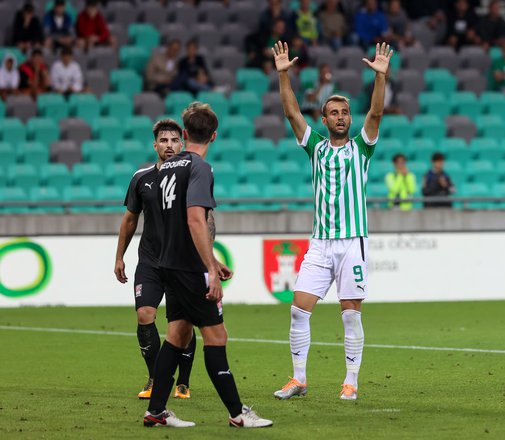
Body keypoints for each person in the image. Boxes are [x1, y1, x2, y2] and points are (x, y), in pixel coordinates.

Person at [272, 41, 392, 401]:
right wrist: (282, 75)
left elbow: (377, 114)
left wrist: (380, 79)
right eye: (333, 112)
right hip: (321, 243)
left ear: (350, 118)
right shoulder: (315, 149)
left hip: (352, 242)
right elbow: (293, 113)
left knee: (350, 315)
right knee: (298, 310)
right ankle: (299, 379)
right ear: (323, 120)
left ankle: (350, 381)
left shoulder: (362, 148)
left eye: (345, 112)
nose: (340, 116)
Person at [143, 103, 272, 429]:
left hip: (168, 264)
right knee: (217, 336)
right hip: (189, 269)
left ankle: (156, 410)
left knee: (177, 334)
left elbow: (173, 223)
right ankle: (238, 414)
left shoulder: (166, 168)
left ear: (184, 135)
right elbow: (195, 220)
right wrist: (210, 270)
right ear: (214, 135)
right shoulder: (200, 167)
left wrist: (212, 260)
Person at [115, 120, 197, 401]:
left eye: (175, 140)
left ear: (182, 143)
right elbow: (129, 219)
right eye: (164, 141)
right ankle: (155, 376)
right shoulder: (141, 178)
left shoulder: (190, 176)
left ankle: (183, 382)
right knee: (144, 315)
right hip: (149, 261)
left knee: (183, 321)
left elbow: (204, 218)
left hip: (181, 261)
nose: (170, 145)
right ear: (155, 145)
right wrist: (119, 257)